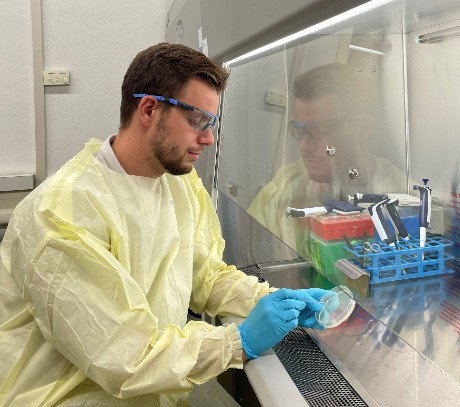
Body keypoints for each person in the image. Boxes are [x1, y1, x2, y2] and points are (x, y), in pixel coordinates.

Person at [0, 43, 330, 406]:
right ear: (148, 109)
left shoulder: (178, 182)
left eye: (211, 123)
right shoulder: (60, 214)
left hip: (154, 386)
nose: (208, 138)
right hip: (72, 396)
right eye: (197, 121)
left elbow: (206, 275)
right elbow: (125, 358)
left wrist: (273, 301)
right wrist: (239, 342)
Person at [248, 62, 405, 256]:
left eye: (321, 130)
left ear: (363, 128)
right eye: (299, 130)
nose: (304, 145)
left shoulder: (402, 199)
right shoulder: (287, 183)